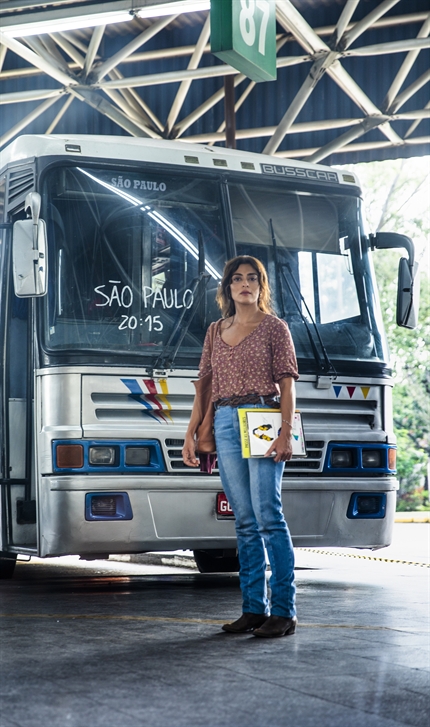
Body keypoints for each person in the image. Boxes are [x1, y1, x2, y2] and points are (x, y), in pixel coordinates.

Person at [182, 255, 299, 638]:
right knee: (245, 521)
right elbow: (205, 387)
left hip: (263, 417)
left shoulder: (274, 328)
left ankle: (284, 611)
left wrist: (285, 433)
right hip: (227, 422)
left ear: (261, 286)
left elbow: (288, 385)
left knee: (268, 515)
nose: (244, 284)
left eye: (252, 278)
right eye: (237, 279)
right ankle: (253, 609)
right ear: (227, 288)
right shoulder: (216, 331)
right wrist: (192, 432)